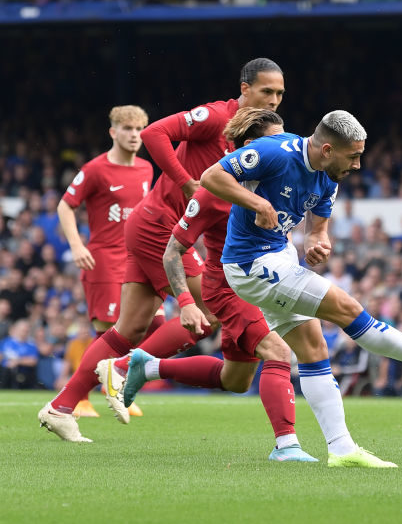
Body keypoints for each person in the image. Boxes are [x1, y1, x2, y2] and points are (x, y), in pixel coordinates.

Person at [197, 110, 402, 468]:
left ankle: (341, 449)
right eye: (352, 156)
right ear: (326, 149)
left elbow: (318, 230)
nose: (357, 164)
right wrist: (257, 203)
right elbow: (211, 176)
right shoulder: (274, 152)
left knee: (313, 348)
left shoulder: (328, 178)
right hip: (250, 264)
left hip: (280, 258)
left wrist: (318, 244)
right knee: (348, 308)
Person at [38, 58, 286, 443]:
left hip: (155, 224)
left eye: (279, 94)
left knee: (130, 328)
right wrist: (187, 182)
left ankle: (62, 407)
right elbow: (156, 133)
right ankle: (122, 369)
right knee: (209, 310)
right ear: (244, 88)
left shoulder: (258, 137)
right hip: (161, 226)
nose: (273, 100)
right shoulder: (215, 117)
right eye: (266, 91)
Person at [102, 108, 318, 462]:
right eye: (276, 139)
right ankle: (287, 446)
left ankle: (145, 366)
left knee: (236, 380)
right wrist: (186, 301)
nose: (285, 145)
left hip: (259, 283)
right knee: (278, 352)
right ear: (251, 147)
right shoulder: (211, 190)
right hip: (229, 287)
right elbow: (173, 252)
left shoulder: (278, 182)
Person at [56, 105, 153, 418]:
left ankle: (115, 386)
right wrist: (76, 245)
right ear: (113, 132)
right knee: (106, 332)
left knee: (151, 325)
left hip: (136, 259)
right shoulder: (95, 169)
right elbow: (65, 206)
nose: (135, 135)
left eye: (139, 129)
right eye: (128, 129)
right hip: (103, 260)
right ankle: (80, 398)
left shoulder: (146, 169)